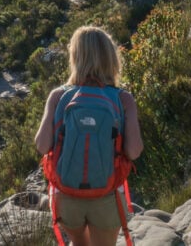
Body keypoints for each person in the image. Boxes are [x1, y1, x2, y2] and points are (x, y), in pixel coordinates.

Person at [34, 26, 143, 246]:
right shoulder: (123, 99)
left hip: (67, 197)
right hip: (107, 197)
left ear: (75, 57)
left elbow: (42, 145)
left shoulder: (58, 95)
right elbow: (134, 151)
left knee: (78, 243)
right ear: (110, 57)